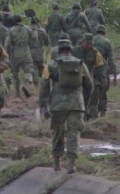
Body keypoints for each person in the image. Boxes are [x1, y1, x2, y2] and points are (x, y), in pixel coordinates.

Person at [39, 37, 93, 174]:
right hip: (77, 103)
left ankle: (57, 161)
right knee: (74, 133)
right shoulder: (80, 64)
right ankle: (71, 163)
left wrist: (43, 104)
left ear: (58, 49)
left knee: (58, 132)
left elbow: (44, 84)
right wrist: (84, 102)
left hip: (58, 104)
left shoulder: (51, 64)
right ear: (70, 49)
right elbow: (89, 85)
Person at [72, 34, 106, 120]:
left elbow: (100, 66)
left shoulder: (95, 52)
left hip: (88, 79)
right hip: (76, 78)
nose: (89, 46)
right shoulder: (74, 51)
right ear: (83, 43)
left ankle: (88, 115)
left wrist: (103, 78)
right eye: (87, 44)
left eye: (91, 44)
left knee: (89, 97)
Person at [4, 14, 34, 96]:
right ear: (21, 20)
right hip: (25, 52)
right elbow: (34, 38)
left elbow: (7, 44)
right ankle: (26, 84)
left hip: (15, 54)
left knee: (15, 74)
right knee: (29, 71)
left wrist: (6, 55)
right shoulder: (27, 28)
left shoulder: (11, 30)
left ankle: (17, 93)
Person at [93, 25, 118, 117]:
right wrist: (115, 75)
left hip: (91, 69)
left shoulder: (90, 40)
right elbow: (111, 59)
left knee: (92, 91)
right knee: (103, 91)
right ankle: (102, 112)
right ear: (104, 33)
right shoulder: (107, 42)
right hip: (103, 70)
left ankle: (92, 112)